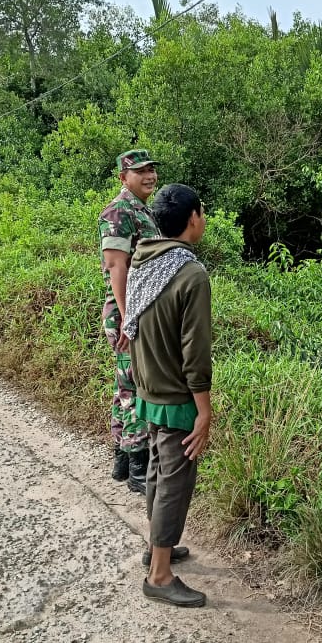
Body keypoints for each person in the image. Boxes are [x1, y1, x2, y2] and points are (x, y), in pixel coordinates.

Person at [123, 184, 211, 608]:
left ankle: (157, 547)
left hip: (147, 389)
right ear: (192, 217)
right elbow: (195, 351)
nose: (204, 218)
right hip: (176, 395)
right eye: (203, 212)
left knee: (158, 472)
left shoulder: (144, 260)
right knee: (175, 481)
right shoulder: (189, 274)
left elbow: (132, 325)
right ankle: (159, 575)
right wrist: (204, 411)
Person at [98, 149, 161, 493]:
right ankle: (138, 466)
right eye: (140, 171)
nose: (149, 175)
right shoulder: (118, 211)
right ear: (124, 177)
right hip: (128, 312)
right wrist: (127, 317)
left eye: (151, 170)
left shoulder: (141, 209)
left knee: (125, 383)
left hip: (136, 310)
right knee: (137, 385)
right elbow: (117, 267)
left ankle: (122, 459)